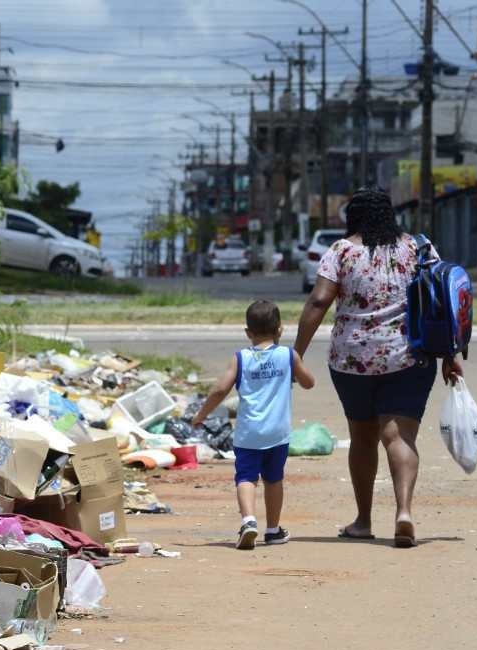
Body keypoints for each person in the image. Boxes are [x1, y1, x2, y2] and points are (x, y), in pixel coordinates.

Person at [294, 187, 462, 548]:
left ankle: (363, 520)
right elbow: (445, 299)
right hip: (410, 356)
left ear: (353, 216)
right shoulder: (418, 246)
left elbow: (319, 300)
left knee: (363, 437)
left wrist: (297, 353)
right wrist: (452, 353)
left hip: (353, 360)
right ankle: (404, 511)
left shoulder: (341, 251)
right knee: (399, 436)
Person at [192, 300, 316, 550]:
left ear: (248, 332)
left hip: (248, 434)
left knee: (246, 477)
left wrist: (201, 415)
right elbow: (309, 382)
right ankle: (273, 530)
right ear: (280, 330)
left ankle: (249, 521)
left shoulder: (241, 358)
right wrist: (295, 369)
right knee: (274, 479)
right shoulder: (288, 355)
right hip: (278, 434)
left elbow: (219, 390)